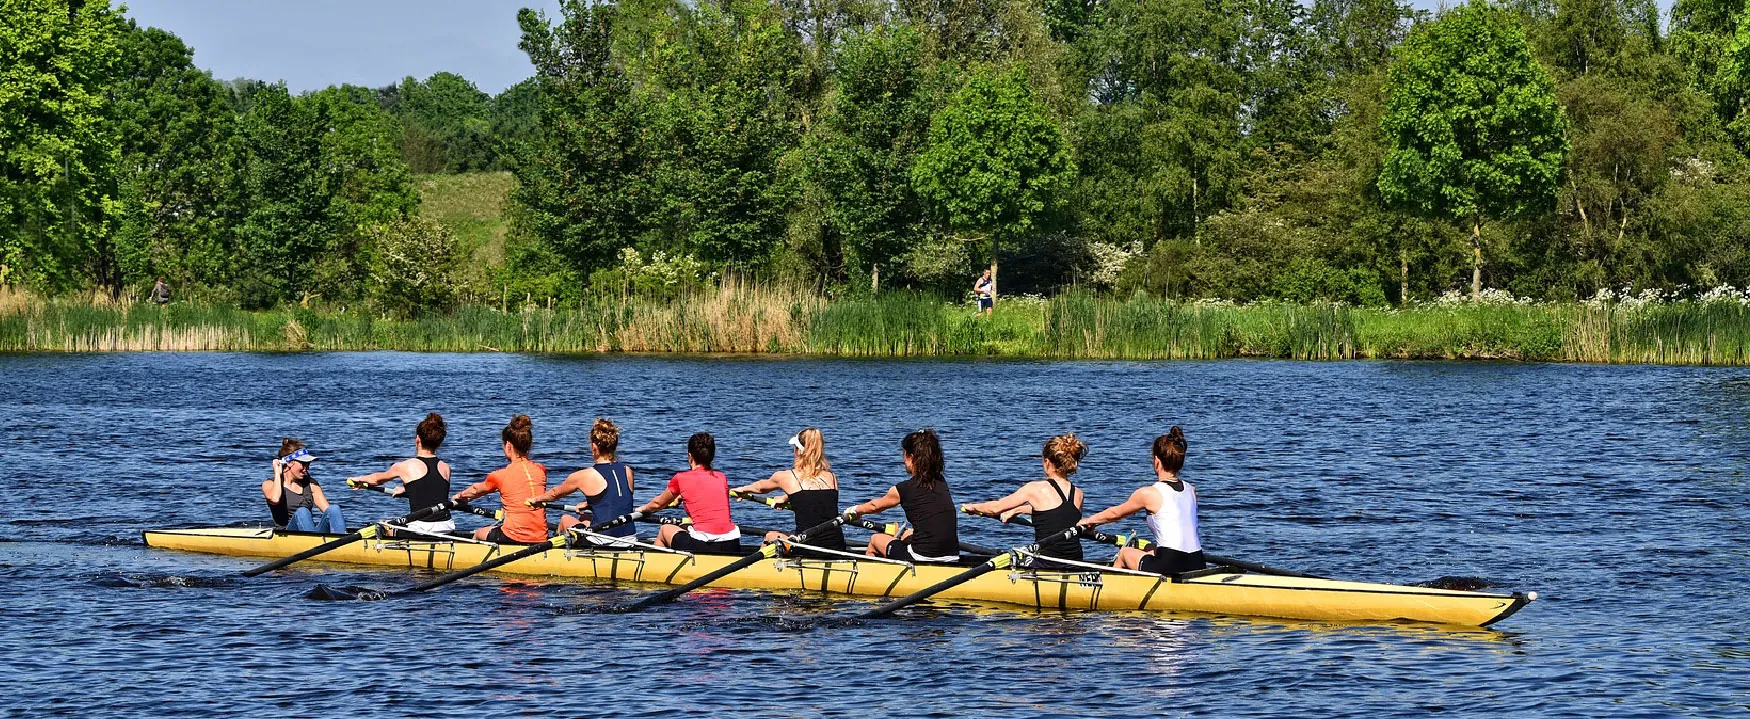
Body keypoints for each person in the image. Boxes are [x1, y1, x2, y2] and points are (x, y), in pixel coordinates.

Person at [1078, 427, 1205, 574]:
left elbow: (1115, 513)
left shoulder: (1149, 493)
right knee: (1148, 548)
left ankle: (1111, 591)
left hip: (1170, 564)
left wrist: (1089, 521)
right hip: (1197, 561)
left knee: (1124, 553)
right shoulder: (1191, 490)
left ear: (1157, 461)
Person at [963, 433, 1086, 563]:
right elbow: (1056, 513)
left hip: (1046, 562)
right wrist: (1018, 510)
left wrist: (974, 507)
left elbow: (996, 508)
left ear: (1047, 462)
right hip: (1075, 561)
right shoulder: (1078, 493)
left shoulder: (1035, 488)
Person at [848, 429, 959, 563]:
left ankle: (868, 576)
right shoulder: (941, 481)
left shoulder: (903, 489)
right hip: (953, 556)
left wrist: (855, 511)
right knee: (906, 534)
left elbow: (874, 506)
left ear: (910, 457)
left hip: (921, 557)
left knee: (876, 540)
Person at [730, 428, 846, 554]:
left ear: (799, 451)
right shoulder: (832, 477)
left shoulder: (786, 477)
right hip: (837, 546)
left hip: (808, 548)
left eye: (795, 447)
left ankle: (756, 571)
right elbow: (814, 497)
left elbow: (760, 487)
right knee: (794, 533)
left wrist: (743, 489)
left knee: (770, 536)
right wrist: (786, 497)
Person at [527, 417, 637, 547]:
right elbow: (617, 499)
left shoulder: (586, 475)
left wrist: (537, 500)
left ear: (594, 447)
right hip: (629, 539)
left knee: (565, 519)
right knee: (585, 519)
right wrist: (590, 503)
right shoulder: (627, 471)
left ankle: (556, 556)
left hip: (604, 541)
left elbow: (555, 494)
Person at [346, 412, 455, 536]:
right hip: (446, 527)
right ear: (439, 442)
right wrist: (407, 489)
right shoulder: (446, 467)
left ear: (418, 439)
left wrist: (359, 480)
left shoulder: (405, 466)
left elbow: (377, 480)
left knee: (383, 525)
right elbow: (432, 489)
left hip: (420, 528)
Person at [635, 432, 741, 555]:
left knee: (665, 530)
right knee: (685, 526)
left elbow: (657, 504)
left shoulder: (681, 478)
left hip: (704, 545)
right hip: (732, 543)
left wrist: (642, 509)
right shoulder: (722, 477)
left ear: (690, 457)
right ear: (712, 456)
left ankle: (655, 567)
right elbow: (704, 494)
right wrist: (681, 497)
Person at [452, 415, 549, 544]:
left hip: (514, 537)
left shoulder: (500, 475)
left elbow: (476, 490)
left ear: (508, 446)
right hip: (542, 537)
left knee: (479, 533)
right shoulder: (541, 470)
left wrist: (460, 496)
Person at [262, 440, 346, 534]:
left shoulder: (311, 484)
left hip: (310, 531)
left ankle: (343, 541)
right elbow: (275, 499)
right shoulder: (269, 484)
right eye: (303, 464)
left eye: (308, 464)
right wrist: (277, 473)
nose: (306, 469)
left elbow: (329, 513)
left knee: (334, 509)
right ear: (289, 462)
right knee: (302, 512)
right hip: (286, 535)